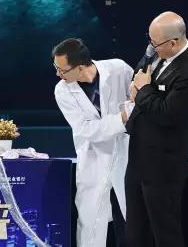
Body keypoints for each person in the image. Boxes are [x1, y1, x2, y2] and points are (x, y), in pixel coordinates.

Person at [124, 11, 188, 247]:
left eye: (155, 43)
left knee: (165, 234)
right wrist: (136, 85)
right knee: (135, 233)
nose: (151, 48)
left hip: (163, 167)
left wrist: (143, 91)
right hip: (139, 158)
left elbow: (166, 114)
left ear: (174, 43)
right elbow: (142, 71)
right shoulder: (157, 51)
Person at [52, 38, 133, 247]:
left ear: (80, 67)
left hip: (126, 153)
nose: (58, 74)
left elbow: (137, 101)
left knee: (132, 218)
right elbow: (86, 129)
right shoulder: (62, 90)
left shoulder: (118, 69)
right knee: (90, 223)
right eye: (56, 68)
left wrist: (127, 115)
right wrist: (121, 118)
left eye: (62, 70)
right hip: (93, 157)